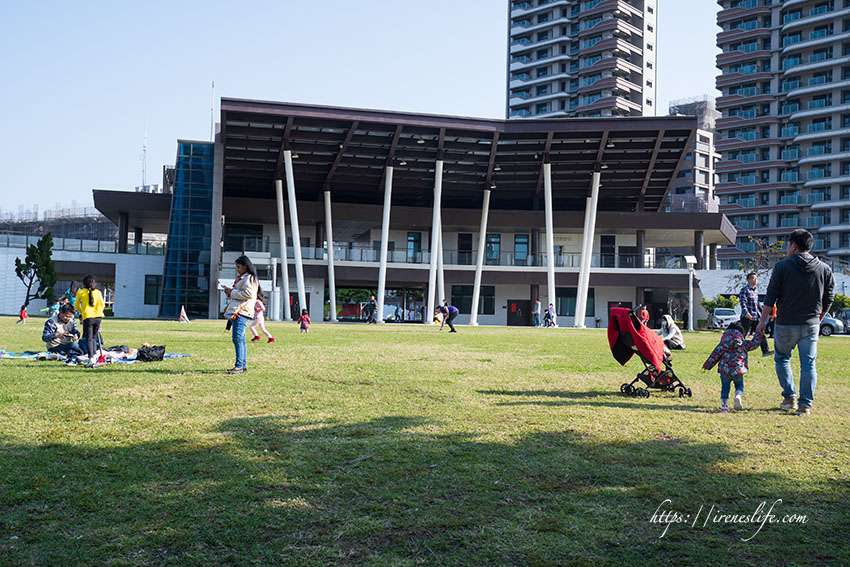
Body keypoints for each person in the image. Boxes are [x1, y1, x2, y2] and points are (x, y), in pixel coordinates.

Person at [756, 229, 834, 416]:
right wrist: (820, 318)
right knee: (808, 363)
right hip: (811, 324)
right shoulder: (824, 268)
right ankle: (805, 405)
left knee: (782, 358)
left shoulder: (782, 267)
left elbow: (771, 297)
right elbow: (829, 298)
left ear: (793, 245)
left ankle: (789, 397)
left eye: (787, 245)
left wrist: (761, 322)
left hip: (785, 323)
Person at [703, 321, 764, 413]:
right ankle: (738, 396)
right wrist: (758, 334)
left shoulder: (723, 344)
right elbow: (754, 343)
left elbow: (714, 355)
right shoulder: (743, 344)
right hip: (738, 369)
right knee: (739, 385)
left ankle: (724, 406)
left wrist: (707, 365)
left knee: (725, 387)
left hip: (725, 370)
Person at [223, 255, 259, 374]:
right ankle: (242, 365)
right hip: (241, 311)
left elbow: (248, 293)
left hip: (241, 312)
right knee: (240, 340)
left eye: (238, 267)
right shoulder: (246, 277)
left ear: (245, 266)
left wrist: (232, 292)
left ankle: (239, 366)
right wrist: (231, 292)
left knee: (238, 339)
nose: (237, 269)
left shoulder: (248, 278)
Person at [738, 272, 773, 356]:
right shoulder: (745, 290)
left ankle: (765, 350)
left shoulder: (756, 290)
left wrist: (762, 313)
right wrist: (746, 312)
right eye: (754, 278)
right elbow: (743, 302)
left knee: (760, 332)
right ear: (749, 280)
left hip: (755, 316)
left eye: (756, 278)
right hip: (747, 317)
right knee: (743, 334)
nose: (756, 280)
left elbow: (757, 304)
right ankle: (737, 349)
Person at [75, 275, 105, 367]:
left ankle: (91, 358)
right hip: (98, 317)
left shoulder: (81, 292)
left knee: (89, 338)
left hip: (88, 317)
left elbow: (76, 306)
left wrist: (83, 312)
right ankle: (95, 356)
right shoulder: (98, 292)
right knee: (94, 337)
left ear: (84, 284)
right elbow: (102, 305)